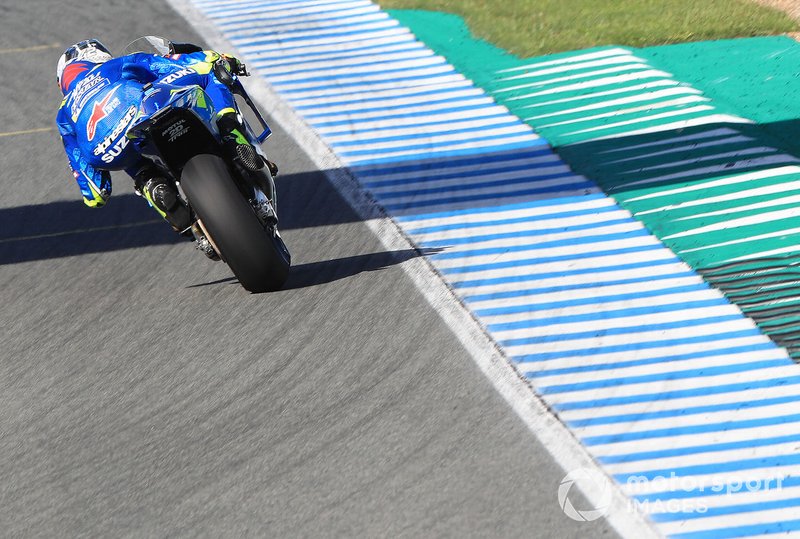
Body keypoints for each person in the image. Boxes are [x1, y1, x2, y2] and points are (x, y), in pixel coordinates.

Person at [55, 38, 275, 238]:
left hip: (102, 150)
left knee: (132, 157)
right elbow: (177, 65)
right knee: (208, 70)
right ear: (96, 56)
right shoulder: (118, 64)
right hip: (137, 110)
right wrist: (223, 60)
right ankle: (231, 134)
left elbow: (95, 195)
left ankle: (150, 183)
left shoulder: (64, 114)